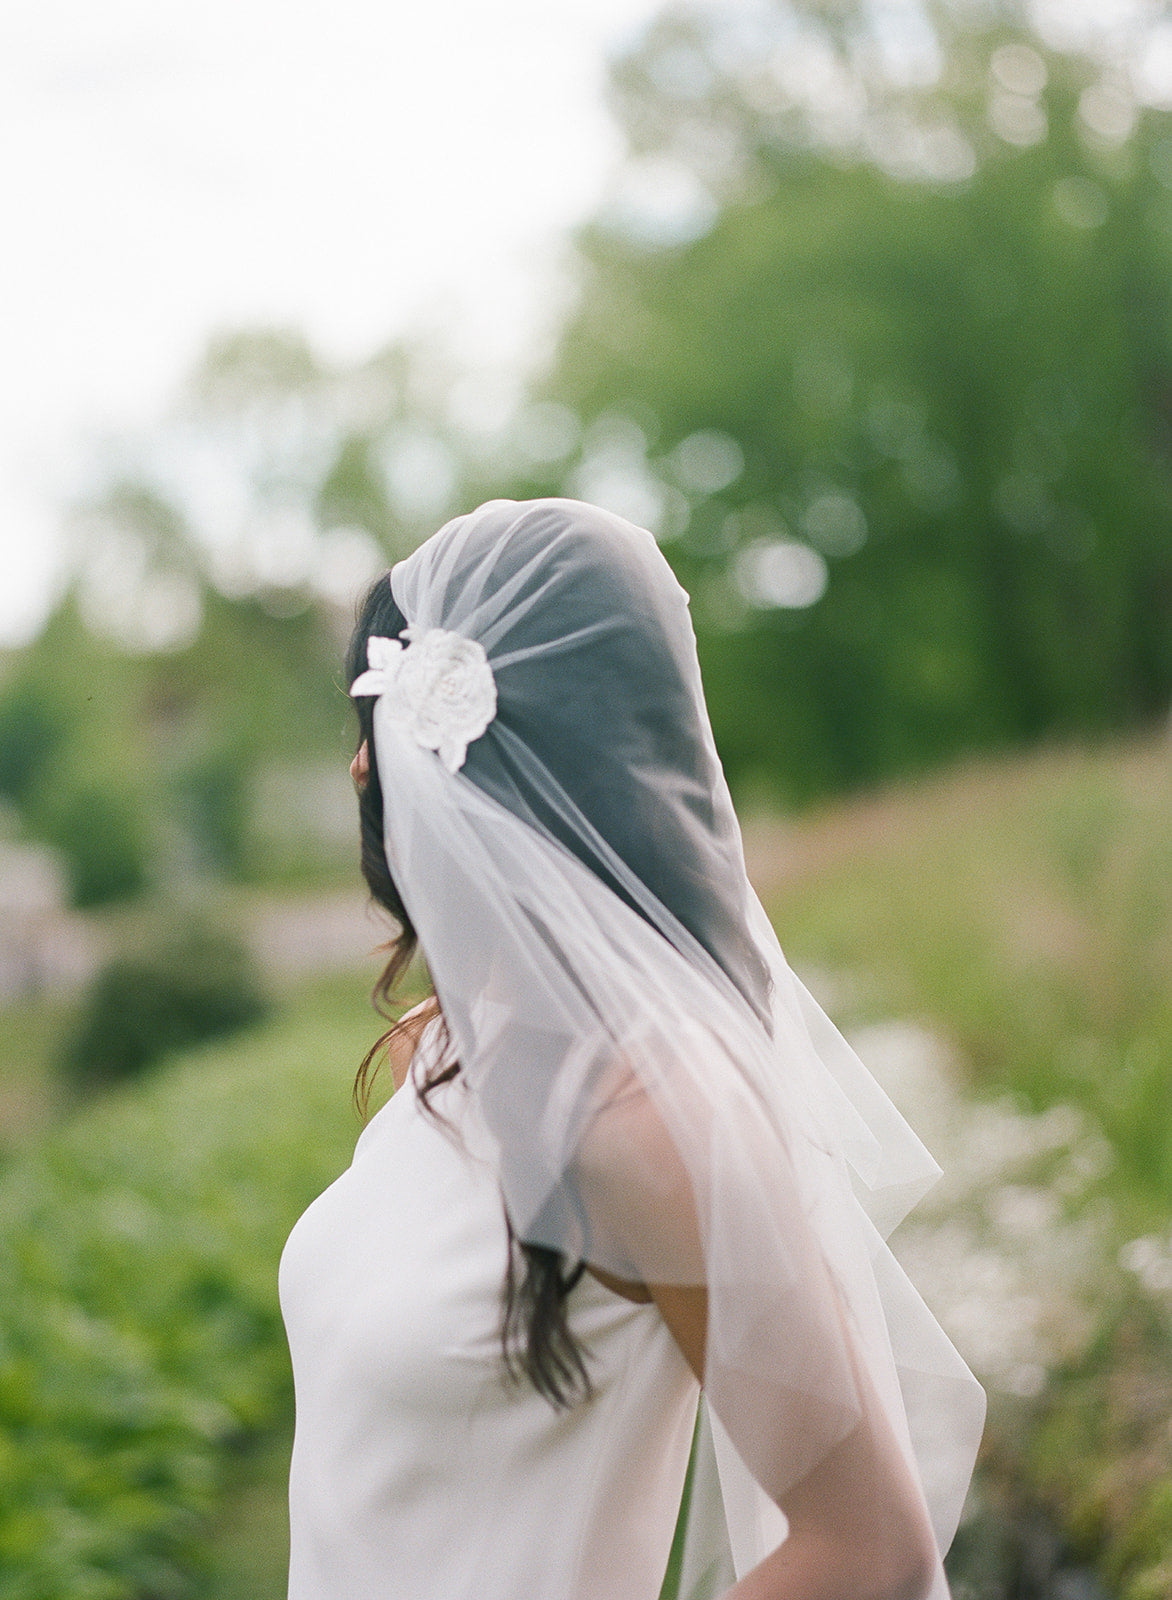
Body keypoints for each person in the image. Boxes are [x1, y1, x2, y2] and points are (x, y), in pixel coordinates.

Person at [278, 498, 985, 1600]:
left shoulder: (643, 1120)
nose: (358, 773)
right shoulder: (441, 1045)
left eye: (366, 721)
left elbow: (868, 1549)